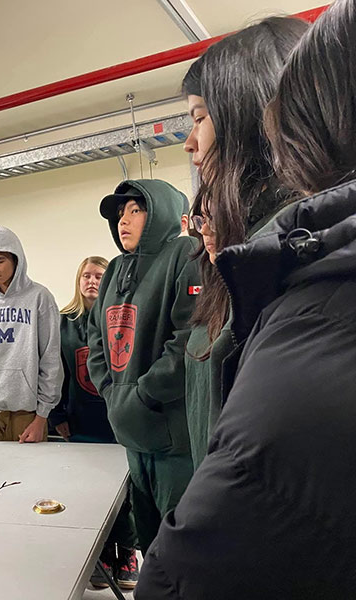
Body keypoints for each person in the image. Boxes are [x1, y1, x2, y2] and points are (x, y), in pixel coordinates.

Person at [138, 1, 356, 596]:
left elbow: (207, 555)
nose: (189, 143)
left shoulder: (299, 276)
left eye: (199, 118)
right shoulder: (264, 265)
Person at [180, 16, 309, 470]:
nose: (190, 143)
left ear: (245, 114)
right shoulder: (248, 245)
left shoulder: (288, 256)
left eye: (199, 118)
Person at [87, 180, 199, 556]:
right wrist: (111, 391)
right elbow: (96, 339)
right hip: (130, 433)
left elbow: (188, 340)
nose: (124, 220)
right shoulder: (115, 268)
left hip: (172, 439)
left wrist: (143, 394)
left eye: (136, 210)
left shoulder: (186, 253)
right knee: (149, 545)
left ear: (162, 212)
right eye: (121, 213)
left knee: (181, 547)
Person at [50, 256, 139, 590]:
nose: (91, 281)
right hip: (78, 420)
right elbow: (54, 372)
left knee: (125, 492)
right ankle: (100, 552)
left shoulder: (120, 318)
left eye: (99, 275)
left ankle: (127, 552)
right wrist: (57, 415)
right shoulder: (62, 323)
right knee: (90, 491)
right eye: (86, 275)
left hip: (116, 420)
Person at [0, 226, 62, 443]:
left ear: (16, 261)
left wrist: (42, 416)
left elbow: (51, 358)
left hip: (27, 414)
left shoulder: (40, 297)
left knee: (29, 476)